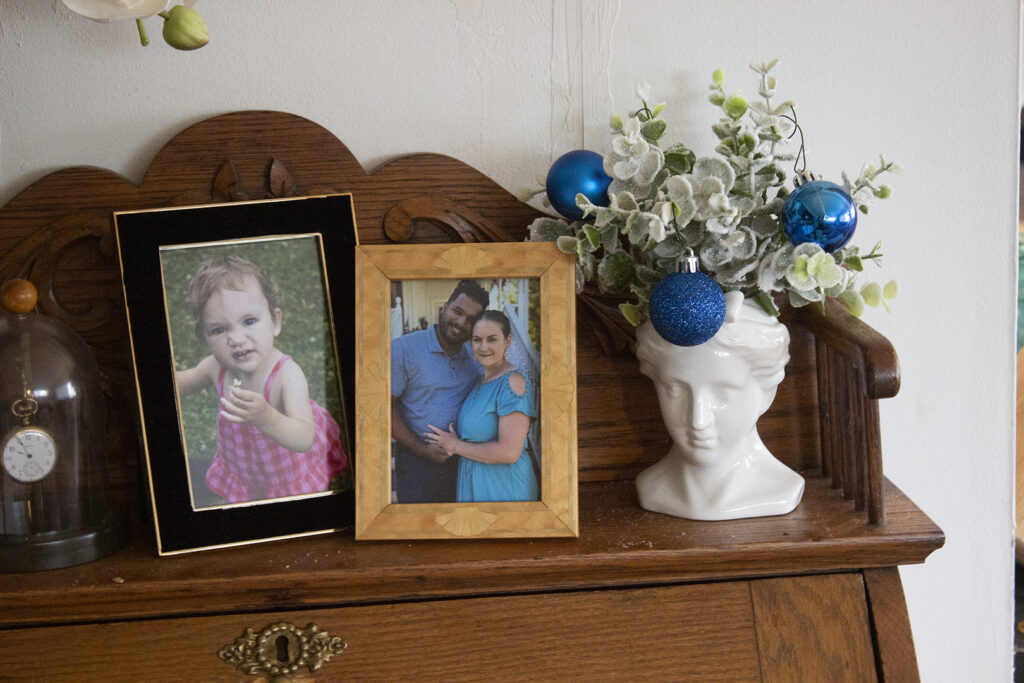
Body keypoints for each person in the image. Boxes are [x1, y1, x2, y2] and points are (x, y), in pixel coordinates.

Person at [175, 255, 347, 504]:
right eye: (219, 329)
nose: (236, 338)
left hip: (286, 470)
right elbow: (178, 383)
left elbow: (303, 437)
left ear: (275, 321)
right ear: (204, 337)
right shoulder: (216, 368)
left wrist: (266, 417)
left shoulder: (286, 375)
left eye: (249, 321)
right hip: (246, 466)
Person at [634, 290, 804, 520]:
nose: (698, 419)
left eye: (722, 392)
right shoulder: (652, 487)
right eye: (676, 389)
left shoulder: (781, 489)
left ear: (767, 393)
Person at [424, 310, 539, 503]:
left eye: (492, 339)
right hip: (476, 484)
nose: (484, 347)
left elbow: (509, 452)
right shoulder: (480, 381)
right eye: (477, 339)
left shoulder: (513, 381)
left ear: (508, 341)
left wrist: (455, 445)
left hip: (505, 491)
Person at [391, 279, 489, 503]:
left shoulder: (476, 361)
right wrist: (424, 450)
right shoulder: (404, 349)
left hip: (463, 460)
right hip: (417, 462)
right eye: (457, 311)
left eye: (471, 320)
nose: (461, 322)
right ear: (445, 306)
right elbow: (385, 407)